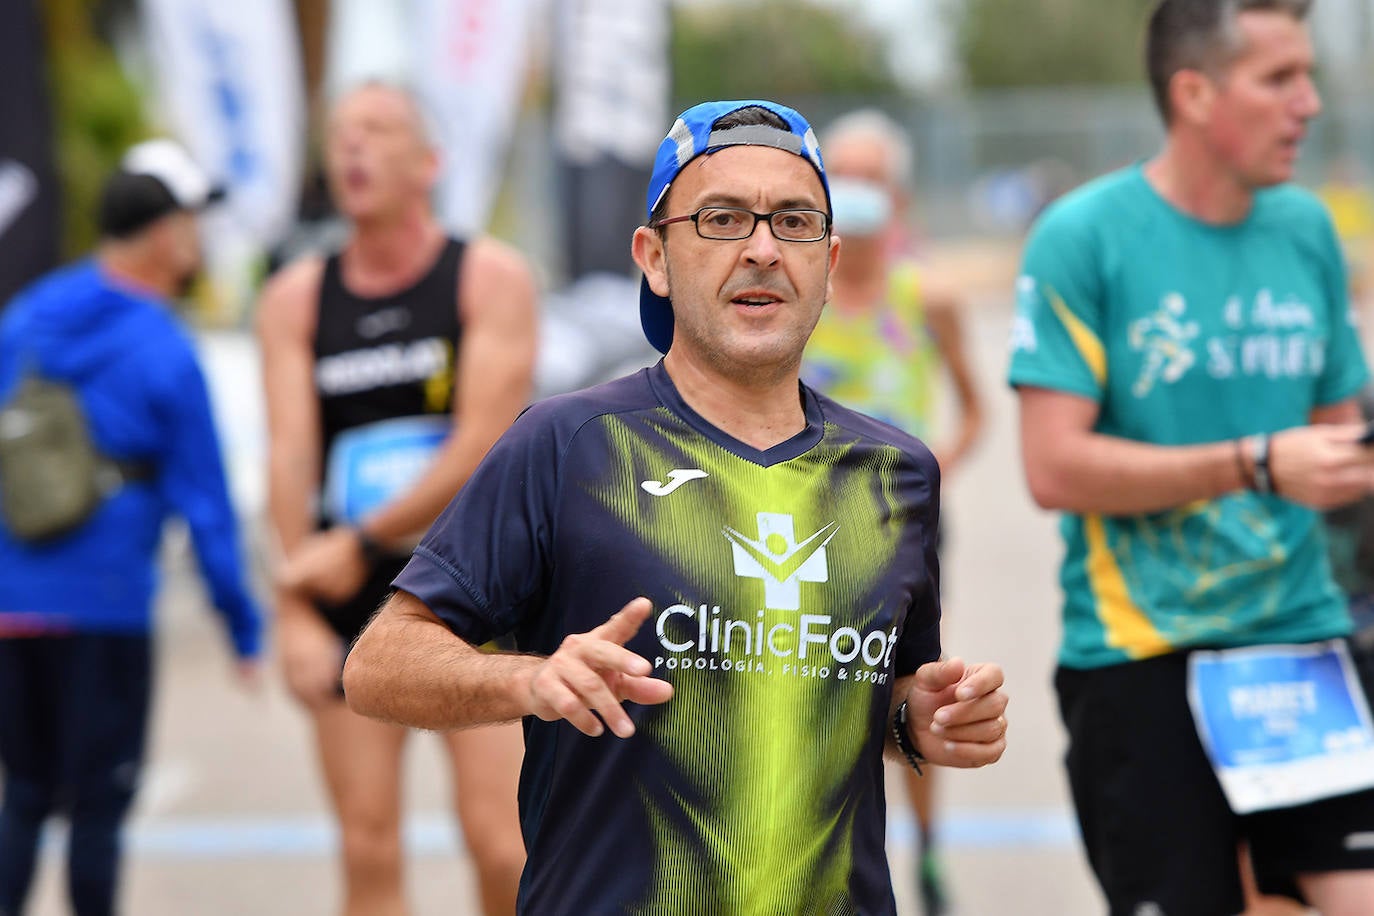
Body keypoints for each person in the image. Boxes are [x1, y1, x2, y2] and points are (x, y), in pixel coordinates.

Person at [341, 98, 1009, 915]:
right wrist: (532, 680)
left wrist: (922, 725)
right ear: (654, 257)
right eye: (723, 218)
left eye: (794, 222)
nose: (763, 249)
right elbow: (378, 665)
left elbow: (882, 696)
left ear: (830, 261)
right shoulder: (569, 443)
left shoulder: (898, 474)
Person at [1008, 2, 1374, 914]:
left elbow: (1337, 446)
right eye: (1280, 78)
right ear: (1196, 93)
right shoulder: (1083, 237)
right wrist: (1252, 461)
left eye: (1309, 75)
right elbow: (1053, 468)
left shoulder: (1307, 231)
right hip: (1143, 655)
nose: (1311, 103)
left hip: (1300, 647)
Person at [254, 81, 534, 915]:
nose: (352, 148)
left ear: (429, 162)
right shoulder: (296, 297)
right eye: (340, 134)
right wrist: (295, 606)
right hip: (347, 589)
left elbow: (483, 443)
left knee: (502, 845)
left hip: (471, 588)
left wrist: (363, 537)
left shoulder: (488, 276)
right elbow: (289, 455)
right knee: (368, 848)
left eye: (376, 130)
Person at [0, 140, 263, 915]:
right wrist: (242, 628)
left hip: (11, 605)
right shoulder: (163, 348)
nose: (198, 239)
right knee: (98, 806)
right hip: (104, 609)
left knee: (23, 795)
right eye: (190, 222)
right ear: (161, 236)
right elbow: (206, 509)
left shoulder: (25, 319)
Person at [802, 108, 985, 916]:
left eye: (870, 175)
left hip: (903, 525)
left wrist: (932, 468)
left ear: (899, 194)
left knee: (909, 689)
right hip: (803, 523)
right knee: (812, 691)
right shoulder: (798, 290)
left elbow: (976, 408)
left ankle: (929, 854)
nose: (856, 190)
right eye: (841, 173)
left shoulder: (926, 293)